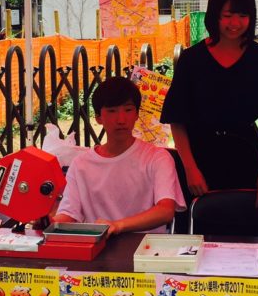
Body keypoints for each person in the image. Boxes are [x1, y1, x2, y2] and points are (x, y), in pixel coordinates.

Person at [160, 0, 258, 206]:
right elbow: (177, 120)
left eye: (243, 15)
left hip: (246, 157)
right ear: (215, 15)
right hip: (199, 161)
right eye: (228, 15)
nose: (235, 23)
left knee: (247, 224)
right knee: (200, 223)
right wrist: (190, 169)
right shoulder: (191, 60)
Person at [53, 77, 185, 234]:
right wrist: (49, 222)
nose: (121, 119)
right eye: (112, 111)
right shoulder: (80, 164)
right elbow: (69, 214)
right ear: (98, 118)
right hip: (99, 246)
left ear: (136, 114)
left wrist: (118, 225)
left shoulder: (158, 158)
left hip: (146, 246)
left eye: (128, 110)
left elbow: (165, 210)